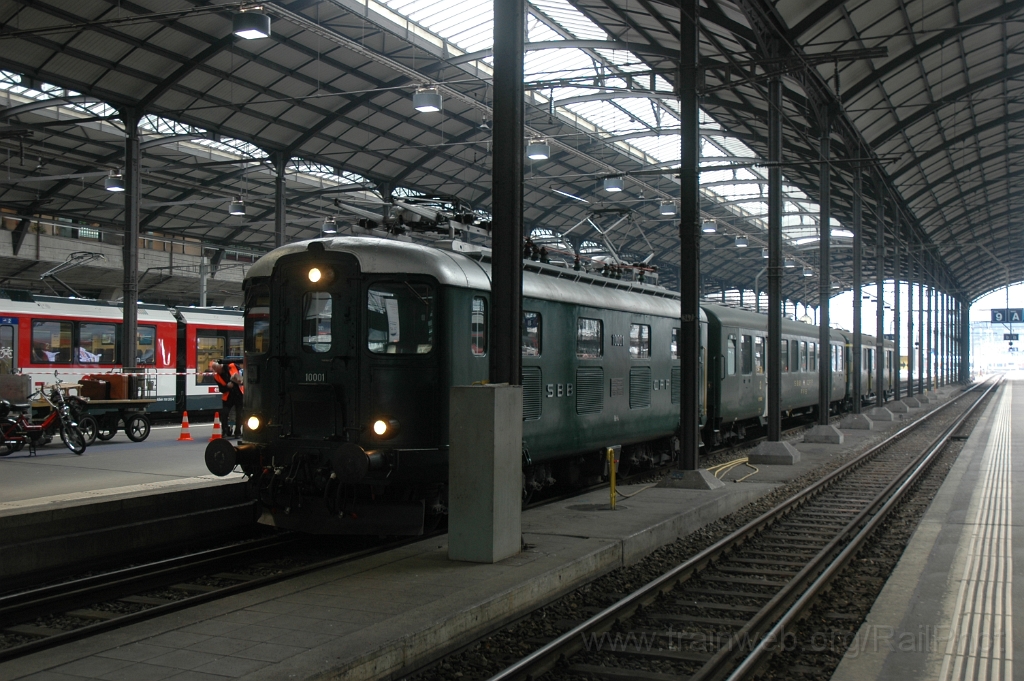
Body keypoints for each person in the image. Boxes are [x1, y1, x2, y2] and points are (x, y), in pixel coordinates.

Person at [209, 359, 244, 436]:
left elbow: (242, 372)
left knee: (239, 414)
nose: (217, 371)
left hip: (239, 393)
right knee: (224, 414)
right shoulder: (217, 377)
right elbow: (221, 389)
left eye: (217, 370)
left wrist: (239, 379)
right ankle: (225, 431)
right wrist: (227, 387)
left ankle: (237, 432)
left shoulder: (232, 366)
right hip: (228, 397)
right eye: (215, 370)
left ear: (221, 367)